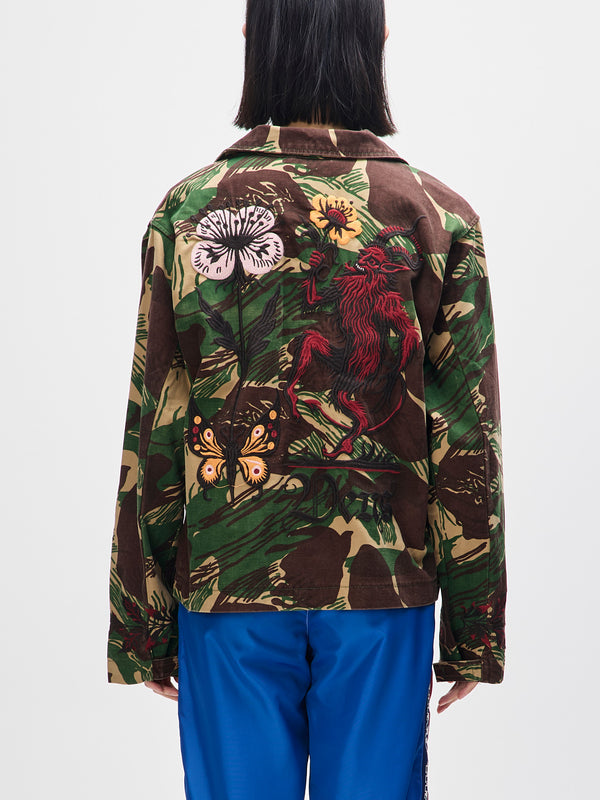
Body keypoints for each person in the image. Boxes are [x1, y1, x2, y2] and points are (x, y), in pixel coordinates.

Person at [106, 1, 507, 798]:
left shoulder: (187, 213)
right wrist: (475, 628)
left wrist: (141, 622)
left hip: (227, 581)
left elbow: (156, 424)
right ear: (378, 39)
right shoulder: (436, 217)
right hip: (383, 584)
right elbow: (467, 436)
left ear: (252, 38)